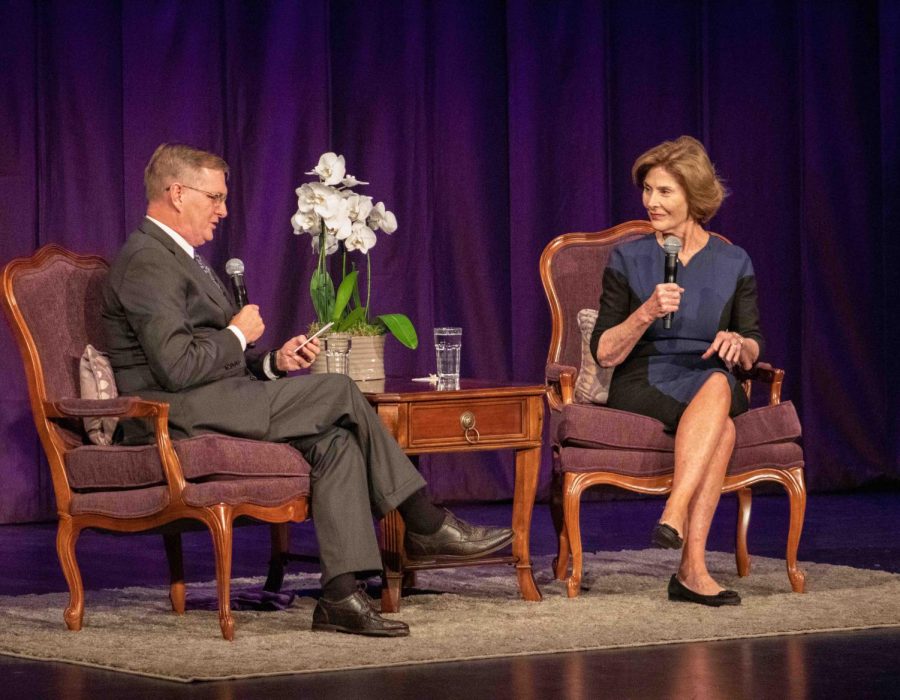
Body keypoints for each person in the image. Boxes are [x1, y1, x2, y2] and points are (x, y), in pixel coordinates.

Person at [102, 143, 513, 636]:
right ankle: (423, 522)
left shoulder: (180, 258)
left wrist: (273, 363)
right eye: (214, 197)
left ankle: (340, 594)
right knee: (338, 391)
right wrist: (237, 334)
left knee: (335, 443)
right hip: (170, 416)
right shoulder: (148, 259)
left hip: (212, 400)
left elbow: (205, 361)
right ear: (176, 193)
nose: (223, 210)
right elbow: (177, 367)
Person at [590, 135, 763, 607]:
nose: (651, 201)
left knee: (717, 383)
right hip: (644, 378)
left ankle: (675, 515)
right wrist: (645, 311)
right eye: (647, 190)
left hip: (713, 373)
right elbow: (603, 352)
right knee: (721, 424)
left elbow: (752, 345)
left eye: (664, 191)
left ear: (694, 195)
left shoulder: (734, 261)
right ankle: (691, 568)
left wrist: (738, 343)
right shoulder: (629, 257)